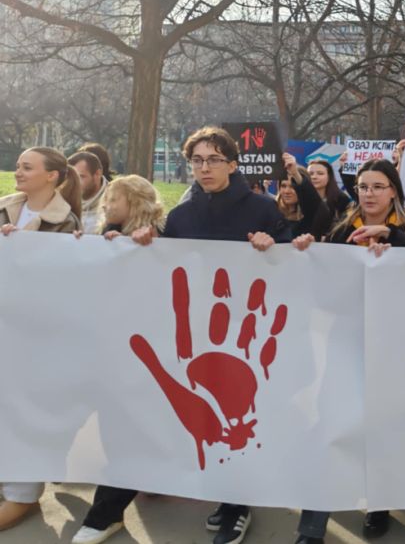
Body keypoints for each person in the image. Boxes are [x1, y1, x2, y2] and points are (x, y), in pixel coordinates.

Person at [76, 127, 290, 544]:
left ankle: (235, 507)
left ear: (233, 163)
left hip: (239, 341)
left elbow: (295, 261)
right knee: (145, 413)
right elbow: (166, 266)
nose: (204, 168)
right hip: (184, 334)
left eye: (213, 160)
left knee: (238, 422)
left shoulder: (263, 209)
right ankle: (107, 511)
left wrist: (276, 244)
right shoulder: (182, 213)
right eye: (197, 160)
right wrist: (143, 244)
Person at [291, 158, 405, 543]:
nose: (369, 194)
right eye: (363, 186)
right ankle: (311, 528)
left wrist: (392, 242)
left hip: (391, 346)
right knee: (331, 426)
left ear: (393, 190)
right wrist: (308, 248)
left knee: (379, 427)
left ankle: (377, 505)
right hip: (344, 342)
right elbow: (323, 275)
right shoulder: (345, 225)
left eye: (378, 186)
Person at [70, 176, 165, 544]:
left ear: (136, 201)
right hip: (110, 355)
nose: (106, 205)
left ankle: (103, 515)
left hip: (145, 358)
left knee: (130, 435)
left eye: (114, 198)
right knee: (116, 433)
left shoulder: (161, 240)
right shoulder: (105, 237)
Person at [0, 147, 82, 532]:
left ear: (52, 176)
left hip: (35, 338)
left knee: (26, 410)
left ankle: (23, 493)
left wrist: (23, 252)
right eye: (17, 166)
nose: (18, 172)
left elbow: (59, 286)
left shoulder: (65, 224)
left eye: (26, 167)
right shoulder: (4, 208)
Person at [278, 153, 332, 239]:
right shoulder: (273, 212)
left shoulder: (314, 214)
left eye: (292, 186)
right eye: (283, 186)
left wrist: (295, 173)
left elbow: (312, 200)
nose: (287, 191)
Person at [69, 151, 109, 233]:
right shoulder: (63, 199)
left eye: (80, 177)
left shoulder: (115, 200)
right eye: (71, 177)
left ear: (98, 174)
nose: (75, 183)